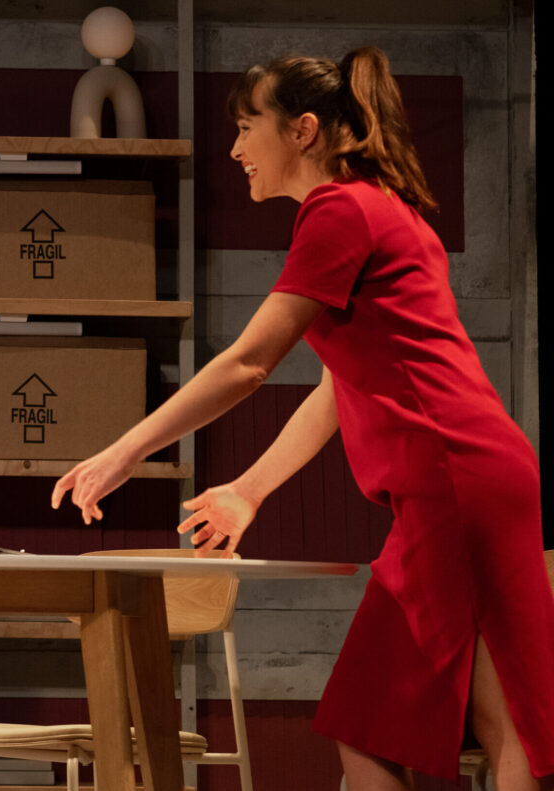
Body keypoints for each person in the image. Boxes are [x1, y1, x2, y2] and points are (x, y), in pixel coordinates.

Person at [51, 48, 553, 790]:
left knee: (406, 725)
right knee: (460, 717)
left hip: (454, 482)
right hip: (471, 478)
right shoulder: (382, 206)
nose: (235, 149)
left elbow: (248, 363)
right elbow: (334, 390)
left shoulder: (339, 210)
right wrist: (249, 489)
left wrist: (125, 451)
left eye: (246, 126)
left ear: (303, 130)